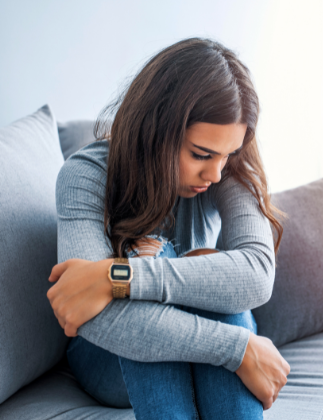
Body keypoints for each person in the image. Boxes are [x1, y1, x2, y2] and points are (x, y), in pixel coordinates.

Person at [46, 38, 290, 420]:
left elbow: (256, 275)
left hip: (190, 330)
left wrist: (118, 277)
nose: (215, 174)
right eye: (200, 155)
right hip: (110, 360)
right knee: (175, 260)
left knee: (215, 282)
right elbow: (91, 316)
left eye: (228, 155)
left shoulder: (227, 169)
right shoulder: (84, 175)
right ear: (154, 128)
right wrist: (237, 348)